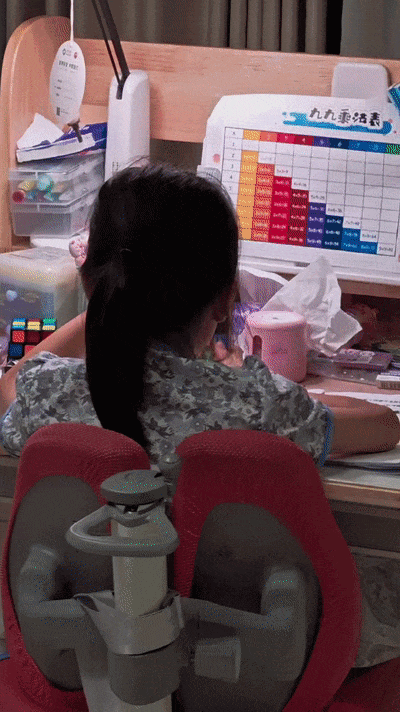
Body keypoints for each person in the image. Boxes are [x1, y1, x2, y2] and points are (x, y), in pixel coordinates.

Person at [0, 163, 399, 667]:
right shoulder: (260, 403)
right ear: (224, 300)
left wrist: (101, 307)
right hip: (239, 667)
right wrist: (257, 383)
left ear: (89, 279)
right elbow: (383, 425)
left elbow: (10, 384)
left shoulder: (48, 392)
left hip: (85, 660)